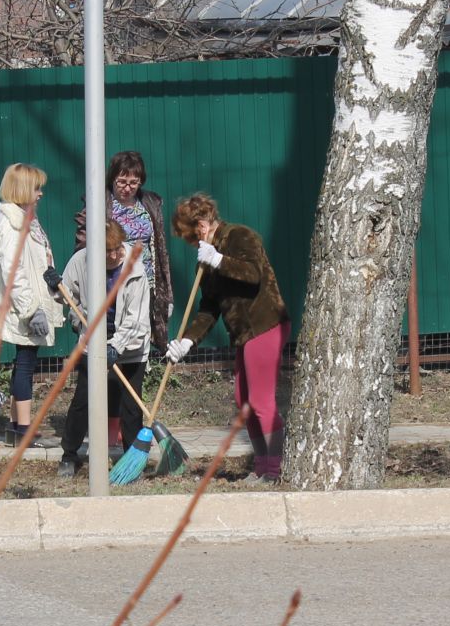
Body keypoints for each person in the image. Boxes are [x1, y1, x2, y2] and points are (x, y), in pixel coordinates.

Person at [165, 193, 289, 483]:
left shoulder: (240, 236)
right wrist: (187, 341)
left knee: (261, 401)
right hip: (243, 334)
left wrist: (219, 260)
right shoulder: (206, 259)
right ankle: (260, 467)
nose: (192, 244)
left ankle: (274, 471)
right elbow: (208, 308)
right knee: (244, 401)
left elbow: (253, 274)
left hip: (265, 324)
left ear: (200, 224)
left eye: (190, 237)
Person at [50, 219, 150, 479]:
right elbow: (66, 296)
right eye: (108, 251)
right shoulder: (81, 261)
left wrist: (115, 346)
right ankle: (69, 455)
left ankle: (131, 463)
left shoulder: (135, 269)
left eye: (117, 248)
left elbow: (135, 319)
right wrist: (54, 286)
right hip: (92, 340)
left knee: (131, 408)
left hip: (130, 346)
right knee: (83, 401)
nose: (115, 254)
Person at [0, 162, 62, 447]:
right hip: (22, 308)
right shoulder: (11, 223)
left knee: (23, 363)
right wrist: (31, 309)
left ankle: (17, 426)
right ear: (23, 189)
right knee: (26, 364)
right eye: (36, 188)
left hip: (31, 303)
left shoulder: (27, 218)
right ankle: (23, 429)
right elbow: (14, 272)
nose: (40, 194)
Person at [75, 150, 173, 353]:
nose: (127, 188)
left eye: (134, 182)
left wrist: (165, 291)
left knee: (139, 334)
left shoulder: (149, 204)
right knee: (113, 334)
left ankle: (136, 374)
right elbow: (84, 244)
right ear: (112, 178)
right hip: (112, 279)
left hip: (144, 279)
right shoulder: (99, 203)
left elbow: (160, 247)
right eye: (122, 182)